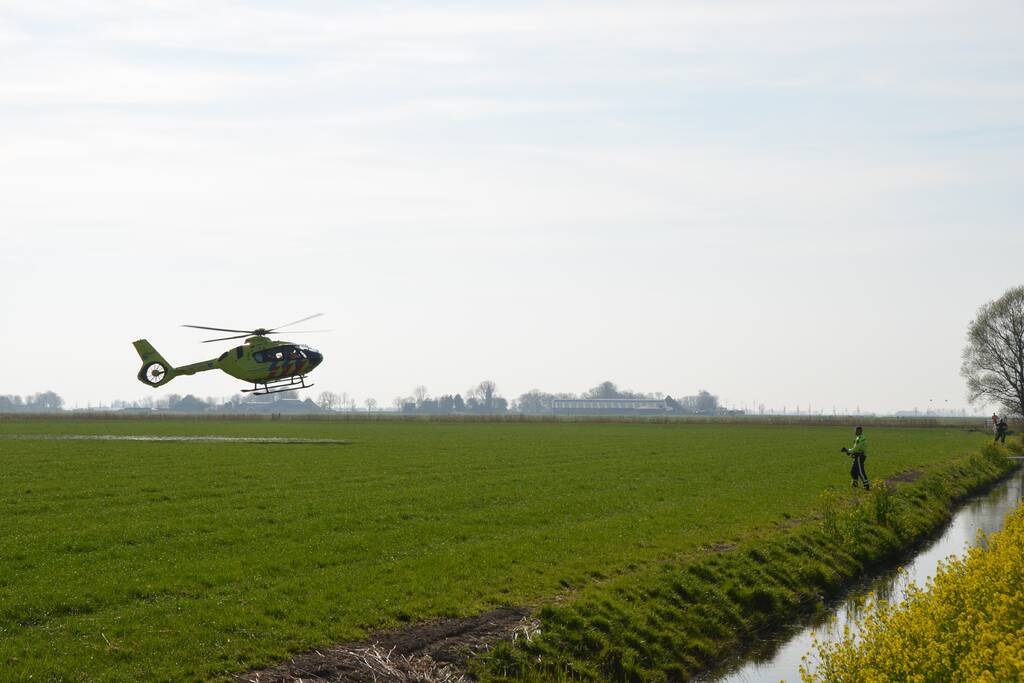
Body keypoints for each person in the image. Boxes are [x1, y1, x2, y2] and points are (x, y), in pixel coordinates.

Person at [841, 425, 870, 490]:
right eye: (855, 430)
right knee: (853, 471)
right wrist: (850, 452)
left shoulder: (861, 438)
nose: (855, 432)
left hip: (860, 456)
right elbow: (855, 449)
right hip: (857, 456)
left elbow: (856, 449)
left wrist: (847, 450)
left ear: (860, 431)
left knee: (860, 471)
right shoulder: (858, 438)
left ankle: (866, 485)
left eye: (856, 431)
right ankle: (855, 483)